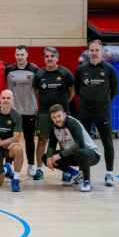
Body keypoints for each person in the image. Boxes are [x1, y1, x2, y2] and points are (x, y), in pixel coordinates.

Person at [74, 39, 118, 186]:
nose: (93, 53)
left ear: (101, 52)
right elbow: (78, 89)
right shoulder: (81, 69)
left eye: (96, 50)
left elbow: (114, 90)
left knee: (107, 142)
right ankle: (82, 173)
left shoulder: (109, 69)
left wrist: (103, 102)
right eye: (91, 50)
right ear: (88, 52)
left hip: (102, 112)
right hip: (85, 111)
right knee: (82, 144)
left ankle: (110, 173)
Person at [33, 47, 75, 181]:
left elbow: (72, 92)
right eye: (47, 56)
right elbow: (36, 92)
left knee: (64, 142)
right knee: (42, 141)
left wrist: (63, 107)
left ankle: (66, 171)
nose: (49, 59)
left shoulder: (65, 73)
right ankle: (39, 169)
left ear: (57, 58)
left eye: (52, 56)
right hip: (45, 113)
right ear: (44, 58)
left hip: (61, 115)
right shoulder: (39, 74)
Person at [45, 104, 101, 192]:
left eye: (59, 116)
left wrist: (60, 155)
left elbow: (80, 144)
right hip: (73, 154)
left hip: (91, 155)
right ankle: (76, 174)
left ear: (64, 114)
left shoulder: (72, 123)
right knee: (45, 157)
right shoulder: (53, 127)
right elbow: (51, 144)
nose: (57, 119)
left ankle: (86, 181)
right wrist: (49, 157)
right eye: (54, 117)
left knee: (81, 152)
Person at [6, 45, 40, 177]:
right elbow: (8, 91)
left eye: (22, 54)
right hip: (14, 112)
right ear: (15, 56)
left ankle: (31, 165)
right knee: (12, 140)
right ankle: (8, 164)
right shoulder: (9, 71)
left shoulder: (35, 70)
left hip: (29, 111)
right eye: (18, 54)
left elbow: (37, 91)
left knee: (29, 139)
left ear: (27, 55)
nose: (20, 57)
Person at [0, 90, 24, 192]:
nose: (6, 100)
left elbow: (16, 138)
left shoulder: (17, 116)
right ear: (0, 99)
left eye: (8, 98)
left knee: (19, 149)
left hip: (7, 145)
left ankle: (15, 179)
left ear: (12, 100)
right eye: (3, 98)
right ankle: (6, 169)